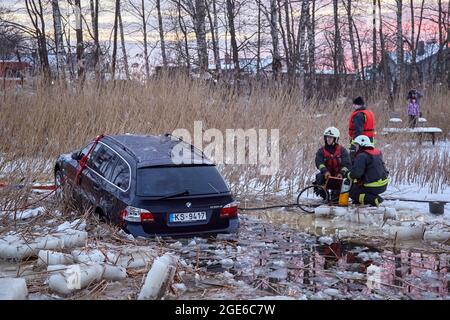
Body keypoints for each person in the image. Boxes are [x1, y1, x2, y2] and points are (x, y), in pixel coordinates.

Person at [346, 135, 389, 207]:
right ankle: (363, 200)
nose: (355, 148)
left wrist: (348, 174)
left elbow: (356, 174)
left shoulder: (362, 156)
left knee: (352, 193)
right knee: (357, 186)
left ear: (361, 145)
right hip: (383, 185)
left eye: (356, 145)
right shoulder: (377, 152)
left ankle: (374, 199)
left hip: (373, 186)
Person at [314, 127, 351, 200]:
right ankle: (325, 196)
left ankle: (336, 195)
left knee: (336, 198)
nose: (328, 139)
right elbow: (319, 163)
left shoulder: (342, 151)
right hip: (326, 175)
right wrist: (325, 172)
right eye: (327, 137)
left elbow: (347, 164)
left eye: (331, 137)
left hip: (339, 176)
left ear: (335, 139)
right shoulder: (321, 151)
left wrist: (341, 173)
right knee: (319, 177)